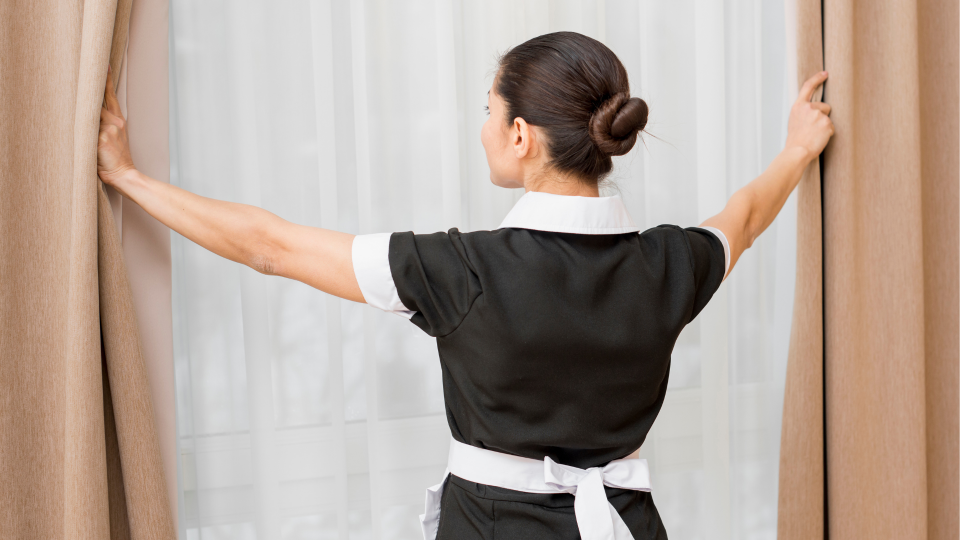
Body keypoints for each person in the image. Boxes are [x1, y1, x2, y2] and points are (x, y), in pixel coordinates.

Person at [98, 31, 832, 540]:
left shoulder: (461, 270)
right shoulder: (672, 265)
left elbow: (269, 247)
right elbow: (745, 215)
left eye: (489, 109)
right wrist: (799, 148)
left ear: (522, 136)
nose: (481, 125)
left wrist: (129, 178)